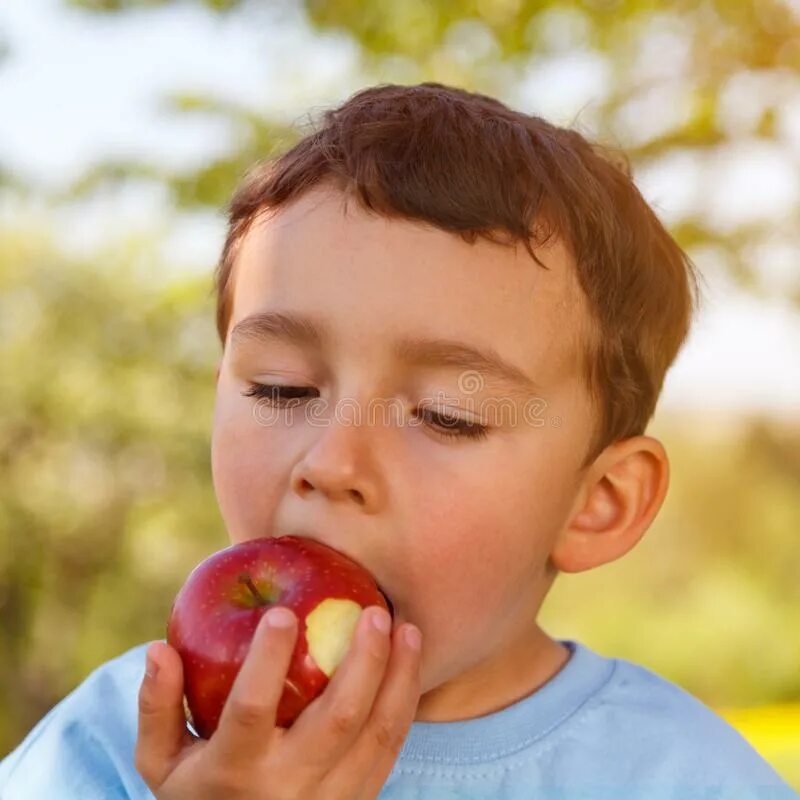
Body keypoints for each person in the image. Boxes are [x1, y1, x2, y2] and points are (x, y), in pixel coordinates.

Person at [1, 82, 796, 800]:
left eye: (447, 414)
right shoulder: (114, 747)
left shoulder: (683, 782)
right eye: (281, 388)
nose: (331, 464)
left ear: (598, 503)